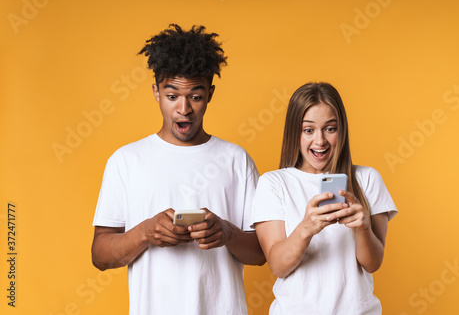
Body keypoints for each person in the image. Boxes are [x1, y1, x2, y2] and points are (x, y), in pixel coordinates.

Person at [91, 24, 265, 315]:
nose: (184, 109)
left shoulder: (237, 160)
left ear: (210, 94)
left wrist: (225, 232)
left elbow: (261, 253)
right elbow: (100, 255)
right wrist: (146, 232)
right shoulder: (126, 161)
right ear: (156, 92)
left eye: (195, 96)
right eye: (172, 96)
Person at [251, 82, 398, 314]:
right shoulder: (274, 183)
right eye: (308, 130)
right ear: (295, 132)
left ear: (342, 130)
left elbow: (372, 263)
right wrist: (306, 228)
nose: (320, 141)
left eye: (330, 128)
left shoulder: (367, 179)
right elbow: (278, 266)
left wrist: (363, 227)